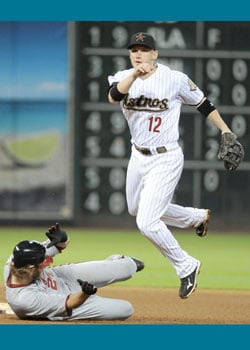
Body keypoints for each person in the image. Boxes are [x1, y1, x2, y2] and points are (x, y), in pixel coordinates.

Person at [107, 32, 236, 299]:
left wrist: (225, 131)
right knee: (135, 208)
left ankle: (186, 265)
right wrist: (133, 74)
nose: (139, 54)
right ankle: (195, 217)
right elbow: (113, 96)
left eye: (144, 49)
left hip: (165, 157)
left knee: (146, 221)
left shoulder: (173, 79)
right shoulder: (123, 77)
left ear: (155, 53)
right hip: (138, 155)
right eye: (134, 50)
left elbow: (203, 104)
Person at [4, 223, 144, 321]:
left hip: (63, 277)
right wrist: (85, 293)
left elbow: (60, 245)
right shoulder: (25, 300)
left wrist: (61, 239)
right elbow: (71, 302)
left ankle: (114, 262)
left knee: (130, 266)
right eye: (42, 264)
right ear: (30, 269)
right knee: (126, 309)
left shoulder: (20, 258)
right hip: (71, 304)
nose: (45, 263)